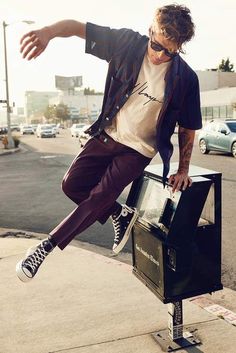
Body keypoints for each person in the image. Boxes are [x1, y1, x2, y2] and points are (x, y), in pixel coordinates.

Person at [16, 4, 202, 282]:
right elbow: (78, 28)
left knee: (98, 196)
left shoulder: (186, 79)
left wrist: (183, 168)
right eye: (157, 46)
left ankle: (46, 246)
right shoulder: (125, 43)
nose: (160, 56)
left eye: (170, 52)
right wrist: (48, 32)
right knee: (72, 184)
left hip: (138, 150)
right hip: (106, 135)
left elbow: (188, 127)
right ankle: (119, 213)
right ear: (150, 31)